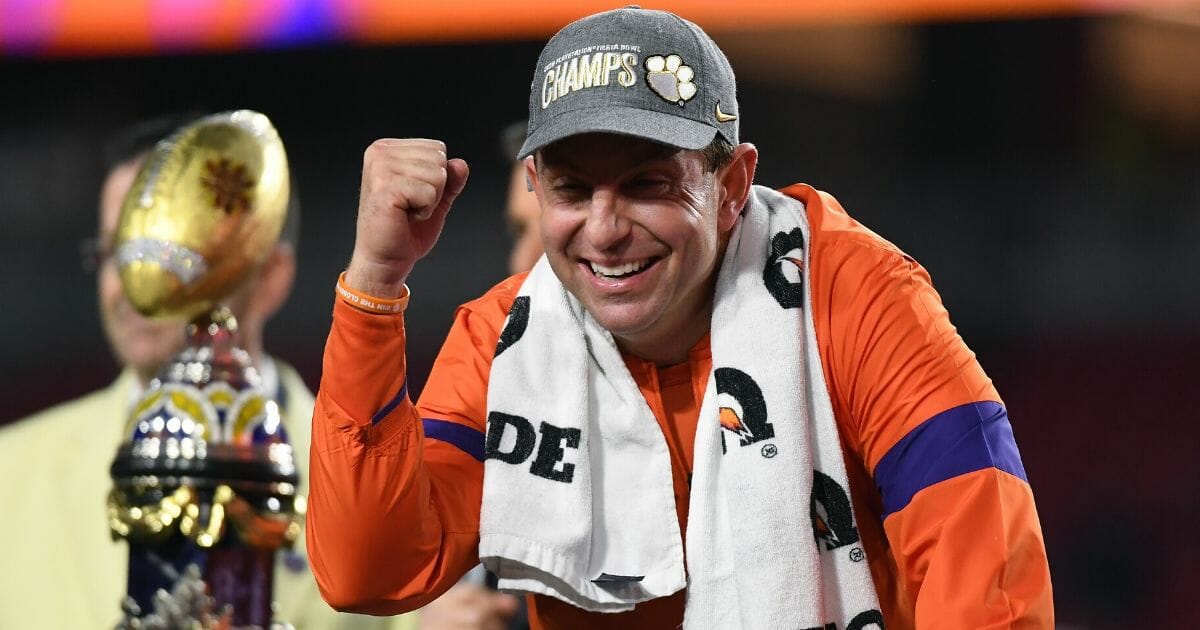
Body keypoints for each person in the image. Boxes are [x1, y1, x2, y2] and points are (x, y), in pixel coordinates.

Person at [307, 7, 1054, 629]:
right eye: (572, 189)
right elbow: (368, 571)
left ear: (733, 184)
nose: (603, 229)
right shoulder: (502, 340)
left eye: (646, 185)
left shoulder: (857, 296)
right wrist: (375, 285)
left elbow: (984, 578)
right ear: (533, 184)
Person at [0, 116, 426, 629]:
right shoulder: (10, 473)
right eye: (118, 252)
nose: (134, 284)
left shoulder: (389, 492)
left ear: (271, 276)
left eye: (175, 246)